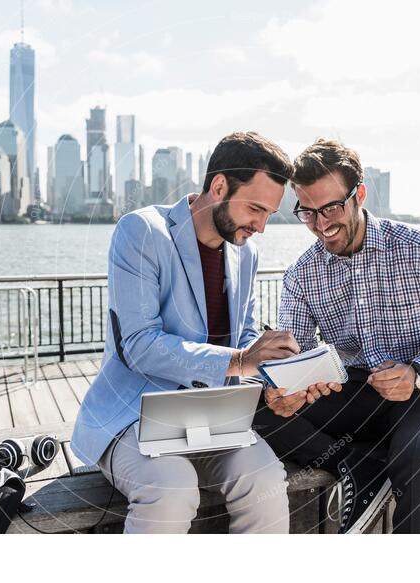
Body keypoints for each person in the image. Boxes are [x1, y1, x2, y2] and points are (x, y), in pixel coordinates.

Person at [71, 132, 302, 533]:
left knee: (266, 478)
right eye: (255, 208)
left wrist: (276, 379)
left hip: (211, 416)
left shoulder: (246, 252)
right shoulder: (141, 231)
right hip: (132, 415)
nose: (261, 226)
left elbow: (243, 336)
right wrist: (239, 360)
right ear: (219, 186)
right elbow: (139, 345)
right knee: (172, 486)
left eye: (269, 214)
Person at [253, 139, 420, 534]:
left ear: (359, 194)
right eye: (307, 213)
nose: (321, 225)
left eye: (331, 208)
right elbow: (297, 355)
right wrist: (287, 387)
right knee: (255, 406)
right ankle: (357, 464)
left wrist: (417, 372)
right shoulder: (302, 274)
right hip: (352, 394)